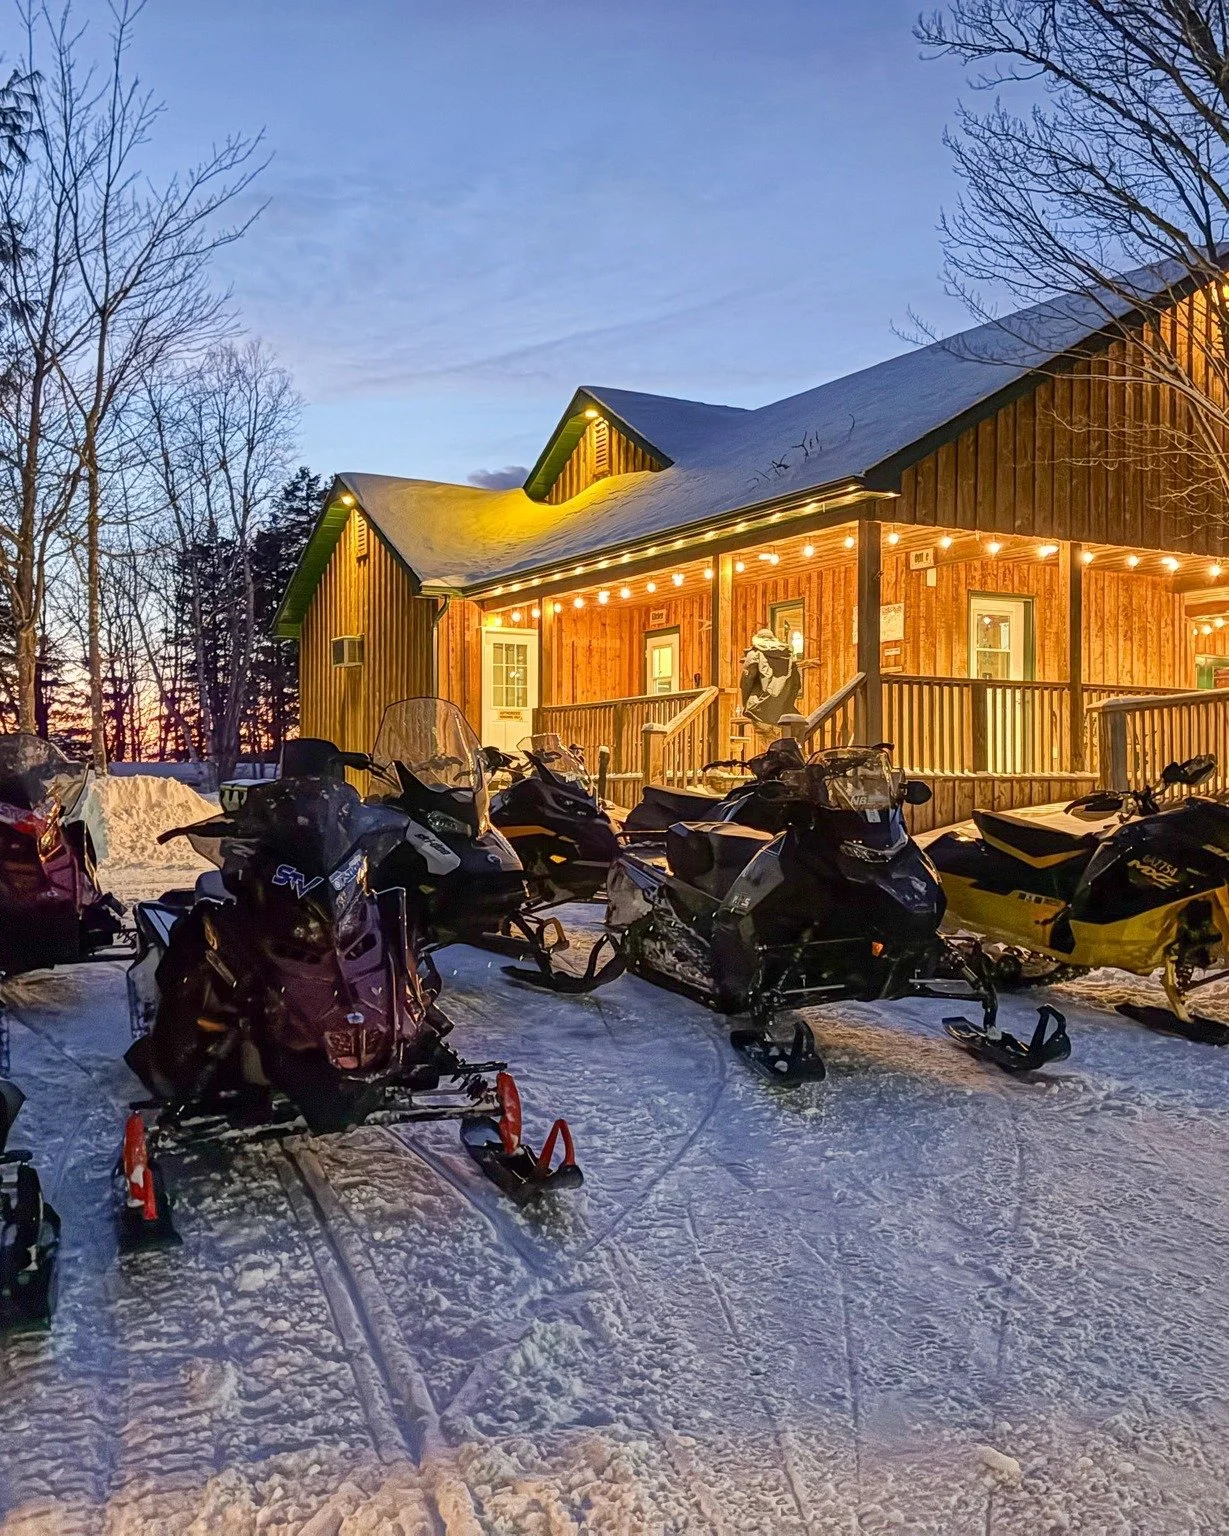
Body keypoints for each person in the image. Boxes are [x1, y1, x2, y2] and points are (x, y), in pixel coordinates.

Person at [739, 627, 802, 729]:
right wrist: (787, 702)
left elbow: (747, 682)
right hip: (783, 712)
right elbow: (796, 684)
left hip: (758, 709)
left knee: (767, 742)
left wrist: (747, 704)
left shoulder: (754, 654)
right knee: (782, 741)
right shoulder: (788, 656)